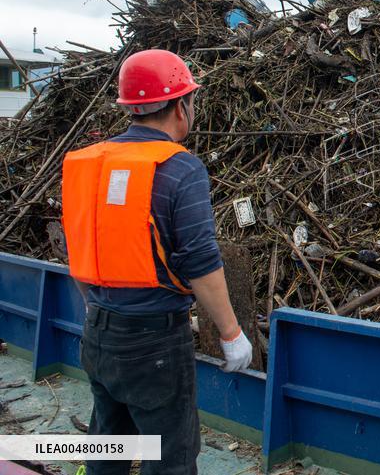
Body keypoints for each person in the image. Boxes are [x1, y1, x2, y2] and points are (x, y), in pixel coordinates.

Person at [62, 49, 252, 474]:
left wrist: (96, 307)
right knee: (170, 459)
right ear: (180, 106)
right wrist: (231, 332)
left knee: (108, 446)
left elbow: (76, 251)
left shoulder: (87, 164)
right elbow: (200, 260)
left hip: (97, 333)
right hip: (154, 344)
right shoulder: (179, 168)